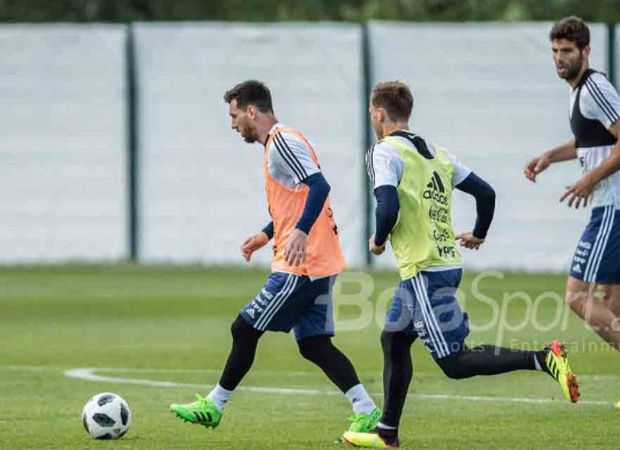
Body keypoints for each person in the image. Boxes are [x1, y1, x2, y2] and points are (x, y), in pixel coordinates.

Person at [342, 81, 579, 449]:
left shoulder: (384, 152)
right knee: (393, 339)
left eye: (372, 114)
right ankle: (387, 432)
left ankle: (543, 358)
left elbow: (386, 207)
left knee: (454, 362)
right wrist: (479, 234)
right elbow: (486, 192)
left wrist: (378, 240)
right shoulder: (437, 152)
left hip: (424, 268)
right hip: (440, 263)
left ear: (378, 113)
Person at [168, 80, 382, 435]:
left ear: (252, 111)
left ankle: (214, 404)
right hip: (317, 261)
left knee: (244, 328)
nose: (233, 124)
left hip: (302, 264)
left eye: (235, 115)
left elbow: (320, 186)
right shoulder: (279, 142)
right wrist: (267, 233)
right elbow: (298, 196)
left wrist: (298, 231)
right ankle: (366, 408)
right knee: (314, 344)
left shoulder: (282, 141)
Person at [523, 16, 620, 408]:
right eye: (555, 52)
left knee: (576, 296)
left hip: (615, 207)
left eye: (567, 52)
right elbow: (590, 140)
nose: (559, 59)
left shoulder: (594, 87)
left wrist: (590, 181)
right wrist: (550, 157)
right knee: (617, 303)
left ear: (586, 52)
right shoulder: (578, 91)